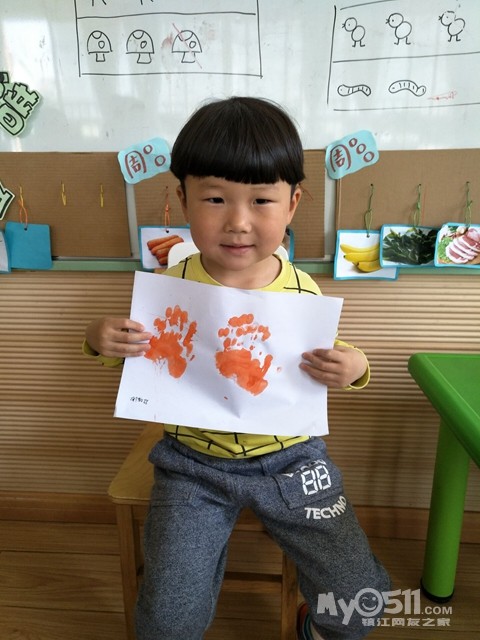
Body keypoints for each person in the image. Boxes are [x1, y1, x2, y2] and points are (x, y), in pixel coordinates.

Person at [84, 96, 390, 640]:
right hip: (190, 463)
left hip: (293, 460)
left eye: (262, 200)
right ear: (182, 199)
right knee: (166, 619)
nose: (238, 222)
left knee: (359, 598)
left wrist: (355, 365)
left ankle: (317, 627)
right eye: (216, 198)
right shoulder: (171, 285)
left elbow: (326, 352)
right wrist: (100, 338)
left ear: (293, 204)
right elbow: (137, 353)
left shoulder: (301, 288)